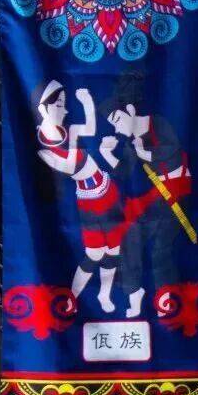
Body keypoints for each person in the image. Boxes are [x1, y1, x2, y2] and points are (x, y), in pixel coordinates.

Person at [100, 75, 192, 319]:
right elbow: (124, 173)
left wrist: (145, 154)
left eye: (117, 120)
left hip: (175, 195)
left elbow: (173, 154)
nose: (117, 128)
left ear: (130, 111)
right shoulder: (131, 142)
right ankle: (134, 294)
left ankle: (167, 301)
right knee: (129, 238)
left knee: (161, 250)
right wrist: (107, 155)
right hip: (153, 200)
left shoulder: (158, 124)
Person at [34, 80, 123, 312]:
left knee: (114, 248)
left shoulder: (67, 131)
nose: (64, 110)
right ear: (43, 108)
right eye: (59, 104)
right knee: (94, 253)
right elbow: (68, 165)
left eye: (64, 104)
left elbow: (90, 129)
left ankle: (104, 295)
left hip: (106, 188)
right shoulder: (44, 145)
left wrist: (87, 102)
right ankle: (71, 298)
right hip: (88, 198)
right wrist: (71, 147)